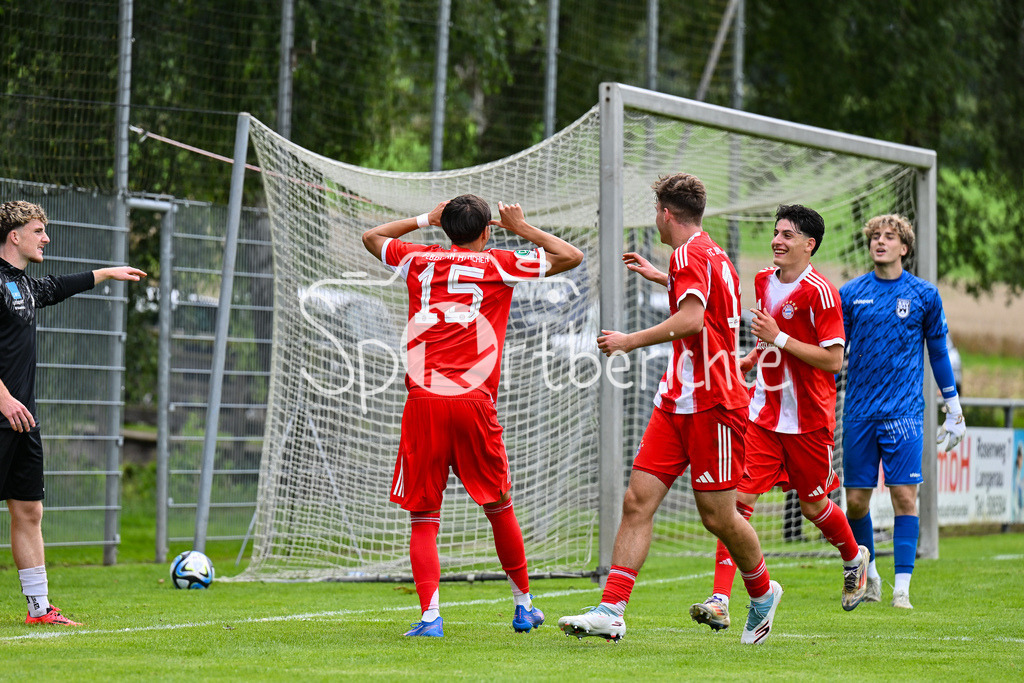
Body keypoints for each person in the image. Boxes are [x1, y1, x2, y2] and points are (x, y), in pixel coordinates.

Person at [556, 173, 783, 646]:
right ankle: (611, 610)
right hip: (675, 400)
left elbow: (692, 319)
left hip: (713, 403)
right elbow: (712, 303)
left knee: (718, 516)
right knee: (637, 500)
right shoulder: (705, 252)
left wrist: (628, 341)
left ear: (664, 213)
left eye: (655, 212)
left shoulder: (690, 254)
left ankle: (762, 593)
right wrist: (662, 276)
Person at [361, 195, 583, 637]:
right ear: (487, 231)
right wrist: (520, 229)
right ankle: (523, 606)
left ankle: (430, 618)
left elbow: (372, 237)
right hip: (473, 402)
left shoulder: (418, 257)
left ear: (445, 227)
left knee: (424, 515)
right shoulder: (500, 263)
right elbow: (570, 256)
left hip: (423, 401)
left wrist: (425, 218)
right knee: (499, 506)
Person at [689, 204, 869, 632]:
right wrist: (754, 356)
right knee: (736, 506)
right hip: (763, 414)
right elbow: (768, 341)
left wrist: (779, 338)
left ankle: (853, 558)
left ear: (809, 245)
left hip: (809, 420)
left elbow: (833, 361)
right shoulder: (762, 280)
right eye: (775, 233)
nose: (777, 241)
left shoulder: (821, 293)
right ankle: (720, 600)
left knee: (813, 505)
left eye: (787, 235)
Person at [0, 200, 146, 626]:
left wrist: (106, 273)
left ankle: (39, 610)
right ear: (15, 235)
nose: (46, 238)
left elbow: (55, 287)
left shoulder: (22, 285)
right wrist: (4, 398)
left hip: (22, 421)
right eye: (38, 231)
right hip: (3, 412)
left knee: (28, 511)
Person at [840, 213, 966, 610]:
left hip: (904, 413)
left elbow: (939, 352)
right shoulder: (850, 293)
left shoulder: (924, 295)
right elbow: (833, 352)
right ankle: (872, 576)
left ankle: (902, 590)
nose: (880, 242)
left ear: (904, 247)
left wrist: (954, 407)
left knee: (904, 499)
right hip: (859, 411)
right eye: (875, 236)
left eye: (889, 237)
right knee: (856, 502)